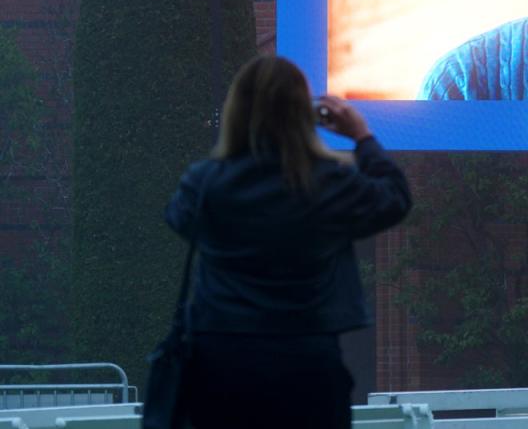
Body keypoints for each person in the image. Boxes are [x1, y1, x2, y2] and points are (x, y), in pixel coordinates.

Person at [164, 55, 411, 428]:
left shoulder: (205, 184)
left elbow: (179, 219)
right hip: (307, 362)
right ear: (304, 115)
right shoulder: (327, 183)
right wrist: (362, 136)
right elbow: (395, 198)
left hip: (222, 362)